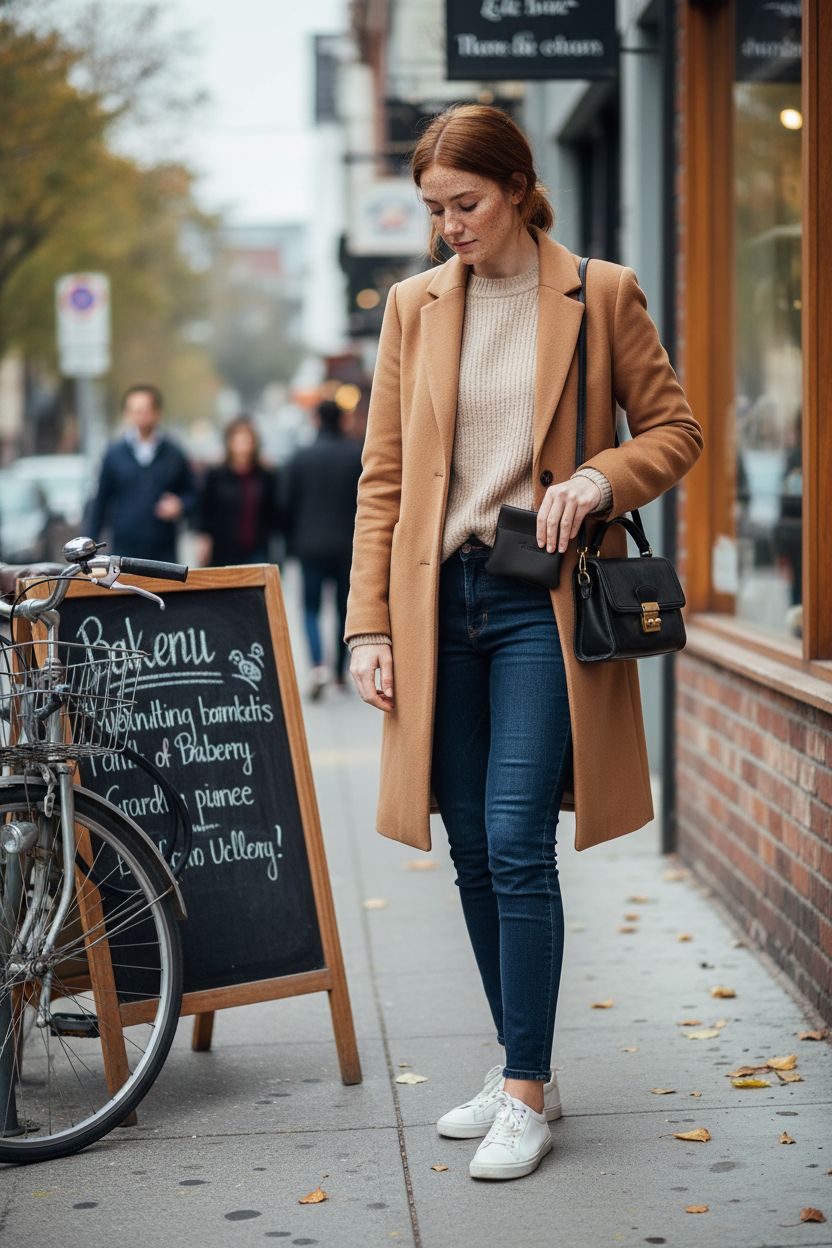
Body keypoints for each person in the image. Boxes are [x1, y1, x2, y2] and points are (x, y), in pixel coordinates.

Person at [344, 105, 703, 1182]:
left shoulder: (599, 293)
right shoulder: (412, 307)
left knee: (512, 839)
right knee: (466, 846)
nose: (448, 226)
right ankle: (520, 1066)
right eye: (433, 210)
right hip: (434, 603)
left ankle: (525, 1095)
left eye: (466, 204)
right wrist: (366, 624)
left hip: (538, 601)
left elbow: (675, 430)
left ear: (516, 186)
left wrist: (599, 475)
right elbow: (386, 479)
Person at [283, 398, 364, 698]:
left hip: (310, 546)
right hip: (349, 547)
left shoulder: (300, 457)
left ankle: (318, 665)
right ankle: (341, 672)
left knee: (310, 608)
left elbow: (284, 504)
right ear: (341, 420)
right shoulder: (356, 455)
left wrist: (291, 540)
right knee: (346, 607)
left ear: (316, 420)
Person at [86, 384, 196, 562]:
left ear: (158, 412)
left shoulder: (174, 453)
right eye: (136, 410)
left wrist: (180, 504)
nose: (141, 415)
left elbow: (193, 493)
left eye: (146, 410)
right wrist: (89, 546)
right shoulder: (113, 454)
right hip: (124, 550)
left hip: (164, 552)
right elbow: (100, 501)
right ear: (127, 414)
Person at [196, 417, 280, 565]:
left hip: (257, 548)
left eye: (248, 442)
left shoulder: (265, 476)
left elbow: (274, 512)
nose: (243, 448)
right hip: (223, 549)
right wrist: (204, 541)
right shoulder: (216, 475)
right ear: (229, 444)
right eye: (238, 442)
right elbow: (206, 510)